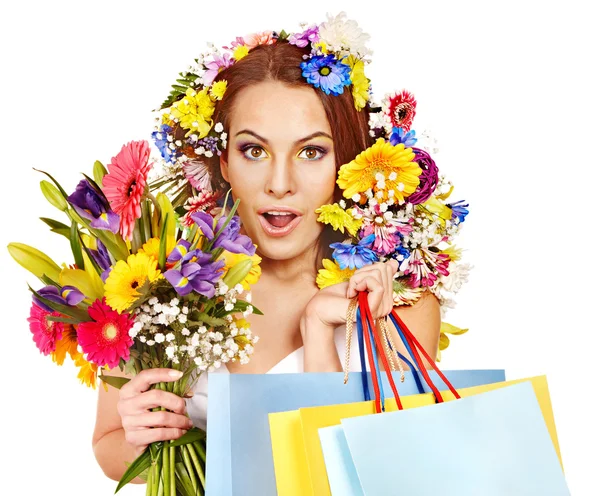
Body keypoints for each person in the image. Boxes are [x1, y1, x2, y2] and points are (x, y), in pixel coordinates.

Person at [92, 24, 441, 483]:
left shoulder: (396, 310)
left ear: (348, 163)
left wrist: (318, 331)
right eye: (254, 150)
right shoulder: (156, 289)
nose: (280, 182)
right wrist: (142, 438)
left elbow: (379, 474)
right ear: (223, 163)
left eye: (311, 152)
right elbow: (108, 447)